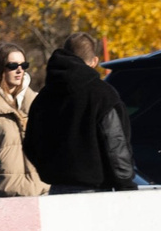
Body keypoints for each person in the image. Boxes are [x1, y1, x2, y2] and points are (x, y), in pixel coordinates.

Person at [24, 32, 137, 193]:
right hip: (96, 191)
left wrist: (50, 170)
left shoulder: (44, 97)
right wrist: (126, 184)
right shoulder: (102, 94)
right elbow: (115, 142)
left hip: (57, 190)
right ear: (94, 61)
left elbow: (30, 144)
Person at [0, 43, 47, 197]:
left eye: (24, 65)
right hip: (2, 197)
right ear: (0, 68)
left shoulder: (36, 100)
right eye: (13, 65)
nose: (20, 70)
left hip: (40, 195)